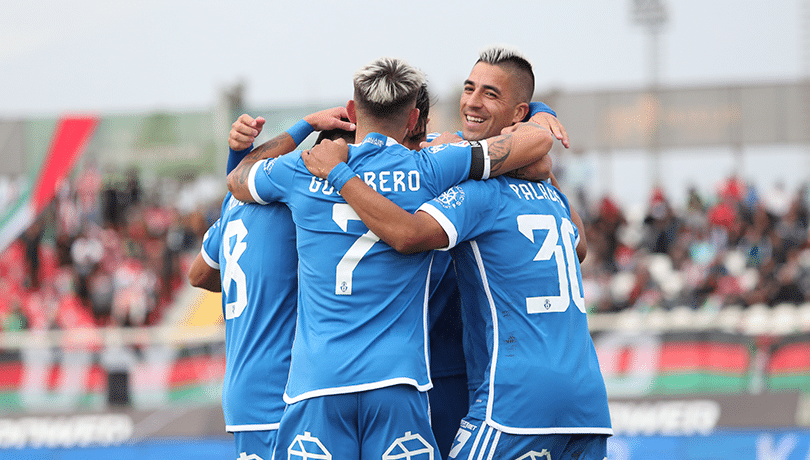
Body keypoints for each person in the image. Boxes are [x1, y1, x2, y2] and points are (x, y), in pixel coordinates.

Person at [226, 56, 554, 460]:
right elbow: (537, 148)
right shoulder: (432, 167)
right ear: (414, 118)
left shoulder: (301, 169)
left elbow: (239, 177)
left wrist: (306, 125)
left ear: (350, 111)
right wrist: (536, 111)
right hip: (398, 381)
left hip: (317, 383)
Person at [301, 129, 611, 460]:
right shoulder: (551, 195)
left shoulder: (479, 195)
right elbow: (580, 246)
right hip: (588, 399)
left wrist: (339, 174)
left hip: (517, 397)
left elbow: (408, 234)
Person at [188, 107, 354, 460]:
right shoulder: (300, 204)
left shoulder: (235, 202)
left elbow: (198, 275)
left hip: (245, 387)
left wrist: (305, 125)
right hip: (280, 391)